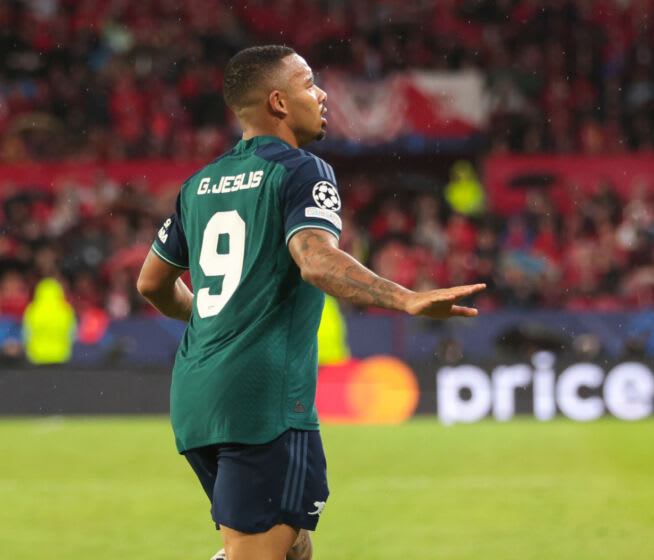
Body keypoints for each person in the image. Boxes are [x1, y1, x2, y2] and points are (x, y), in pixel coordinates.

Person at [136, 45, 485, 560]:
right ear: (278, 102)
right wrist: (407, 299)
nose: (321, 94)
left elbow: (151, 283)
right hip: (263, 402)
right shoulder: (302, 170)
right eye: (308, 84)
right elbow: (315, 260)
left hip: (196, 400)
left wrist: (215, 318)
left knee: (292, 543)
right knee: (256, 550)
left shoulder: (198, 185)